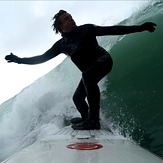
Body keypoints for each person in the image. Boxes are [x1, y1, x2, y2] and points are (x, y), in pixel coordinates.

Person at [5, 10, 156, 130]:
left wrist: (140, 27)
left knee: (87, 75)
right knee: (77, 98)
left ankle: (94, 121)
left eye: (70, 16)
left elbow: (113, 29)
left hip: (104, 60)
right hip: (90, 71)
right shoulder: (61, 45)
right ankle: (86, 118)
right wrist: (19, 60)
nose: (71, 19)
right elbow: (41, 58)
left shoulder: (86, 29)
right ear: (60, 27)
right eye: (66, 19)